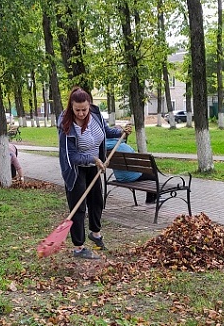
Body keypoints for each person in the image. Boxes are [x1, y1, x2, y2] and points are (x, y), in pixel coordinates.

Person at [58, 86, 132, 259]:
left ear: (89, 105)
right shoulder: (66, 125)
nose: (82, 113)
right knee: (78, 207)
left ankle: (95, 233)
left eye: (84, 109)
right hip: (75, 169)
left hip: (94, 165)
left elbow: (104, 131)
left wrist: (120, 130)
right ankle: (78, 247)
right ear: (71, 107)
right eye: (78, 110)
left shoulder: (95, 114)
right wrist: (93, 159)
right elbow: (73, 156)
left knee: (97, 200)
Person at [104, 137, 157, 204]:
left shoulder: (105, 147)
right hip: (132, 177)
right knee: (153, 175)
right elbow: (136, 162)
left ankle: (151, 198)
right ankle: (151, 199)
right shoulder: (125, 147)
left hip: (119, 178)